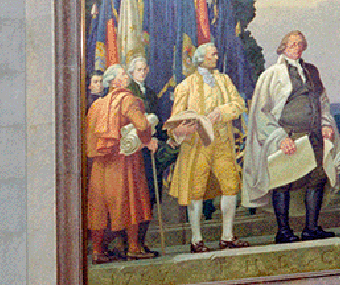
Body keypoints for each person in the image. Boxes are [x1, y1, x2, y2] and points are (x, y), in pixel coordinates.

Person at [243, 30, 340, 242]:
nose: (296, 47)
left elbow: (322, 102)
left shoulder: (312, 71)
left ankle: (311, 228)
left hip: (313, 136)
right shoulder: (272, 74)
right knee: (283, 182)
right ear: (283, 47)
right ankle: (283, 231)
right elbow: (262, 111)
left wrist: (325, 124)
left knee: (317, 179)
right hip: (288, 136)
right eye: (292, 44)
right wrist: (280, 138)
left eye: (300, 44)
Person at [165, 42, 251, 251]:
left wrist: (220, 112)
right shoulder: (185, 85)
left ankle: (227, 237)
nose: (217, 56)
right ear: (202, 58)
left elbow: (239, 104)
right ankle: (196, 240)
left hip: (222, 143)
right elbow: (174, 121)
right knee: (196, 190)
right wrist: (183, 128)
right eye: (213, 54)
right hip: (196, 146)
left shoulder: (224, 80)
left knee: (230, 186)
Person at [83, 64, 158, 262]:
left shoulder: (96, 105)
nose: (126, 77)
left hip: (101, 164)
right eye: (124, 74)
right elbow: (142, 125)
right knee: (131, 200)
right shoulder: (129, 100)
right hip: (125, 160)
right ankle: (133, 247)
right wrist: (149, 130)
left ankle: (98, 251)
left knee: (100, 205)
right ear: (115, 81)